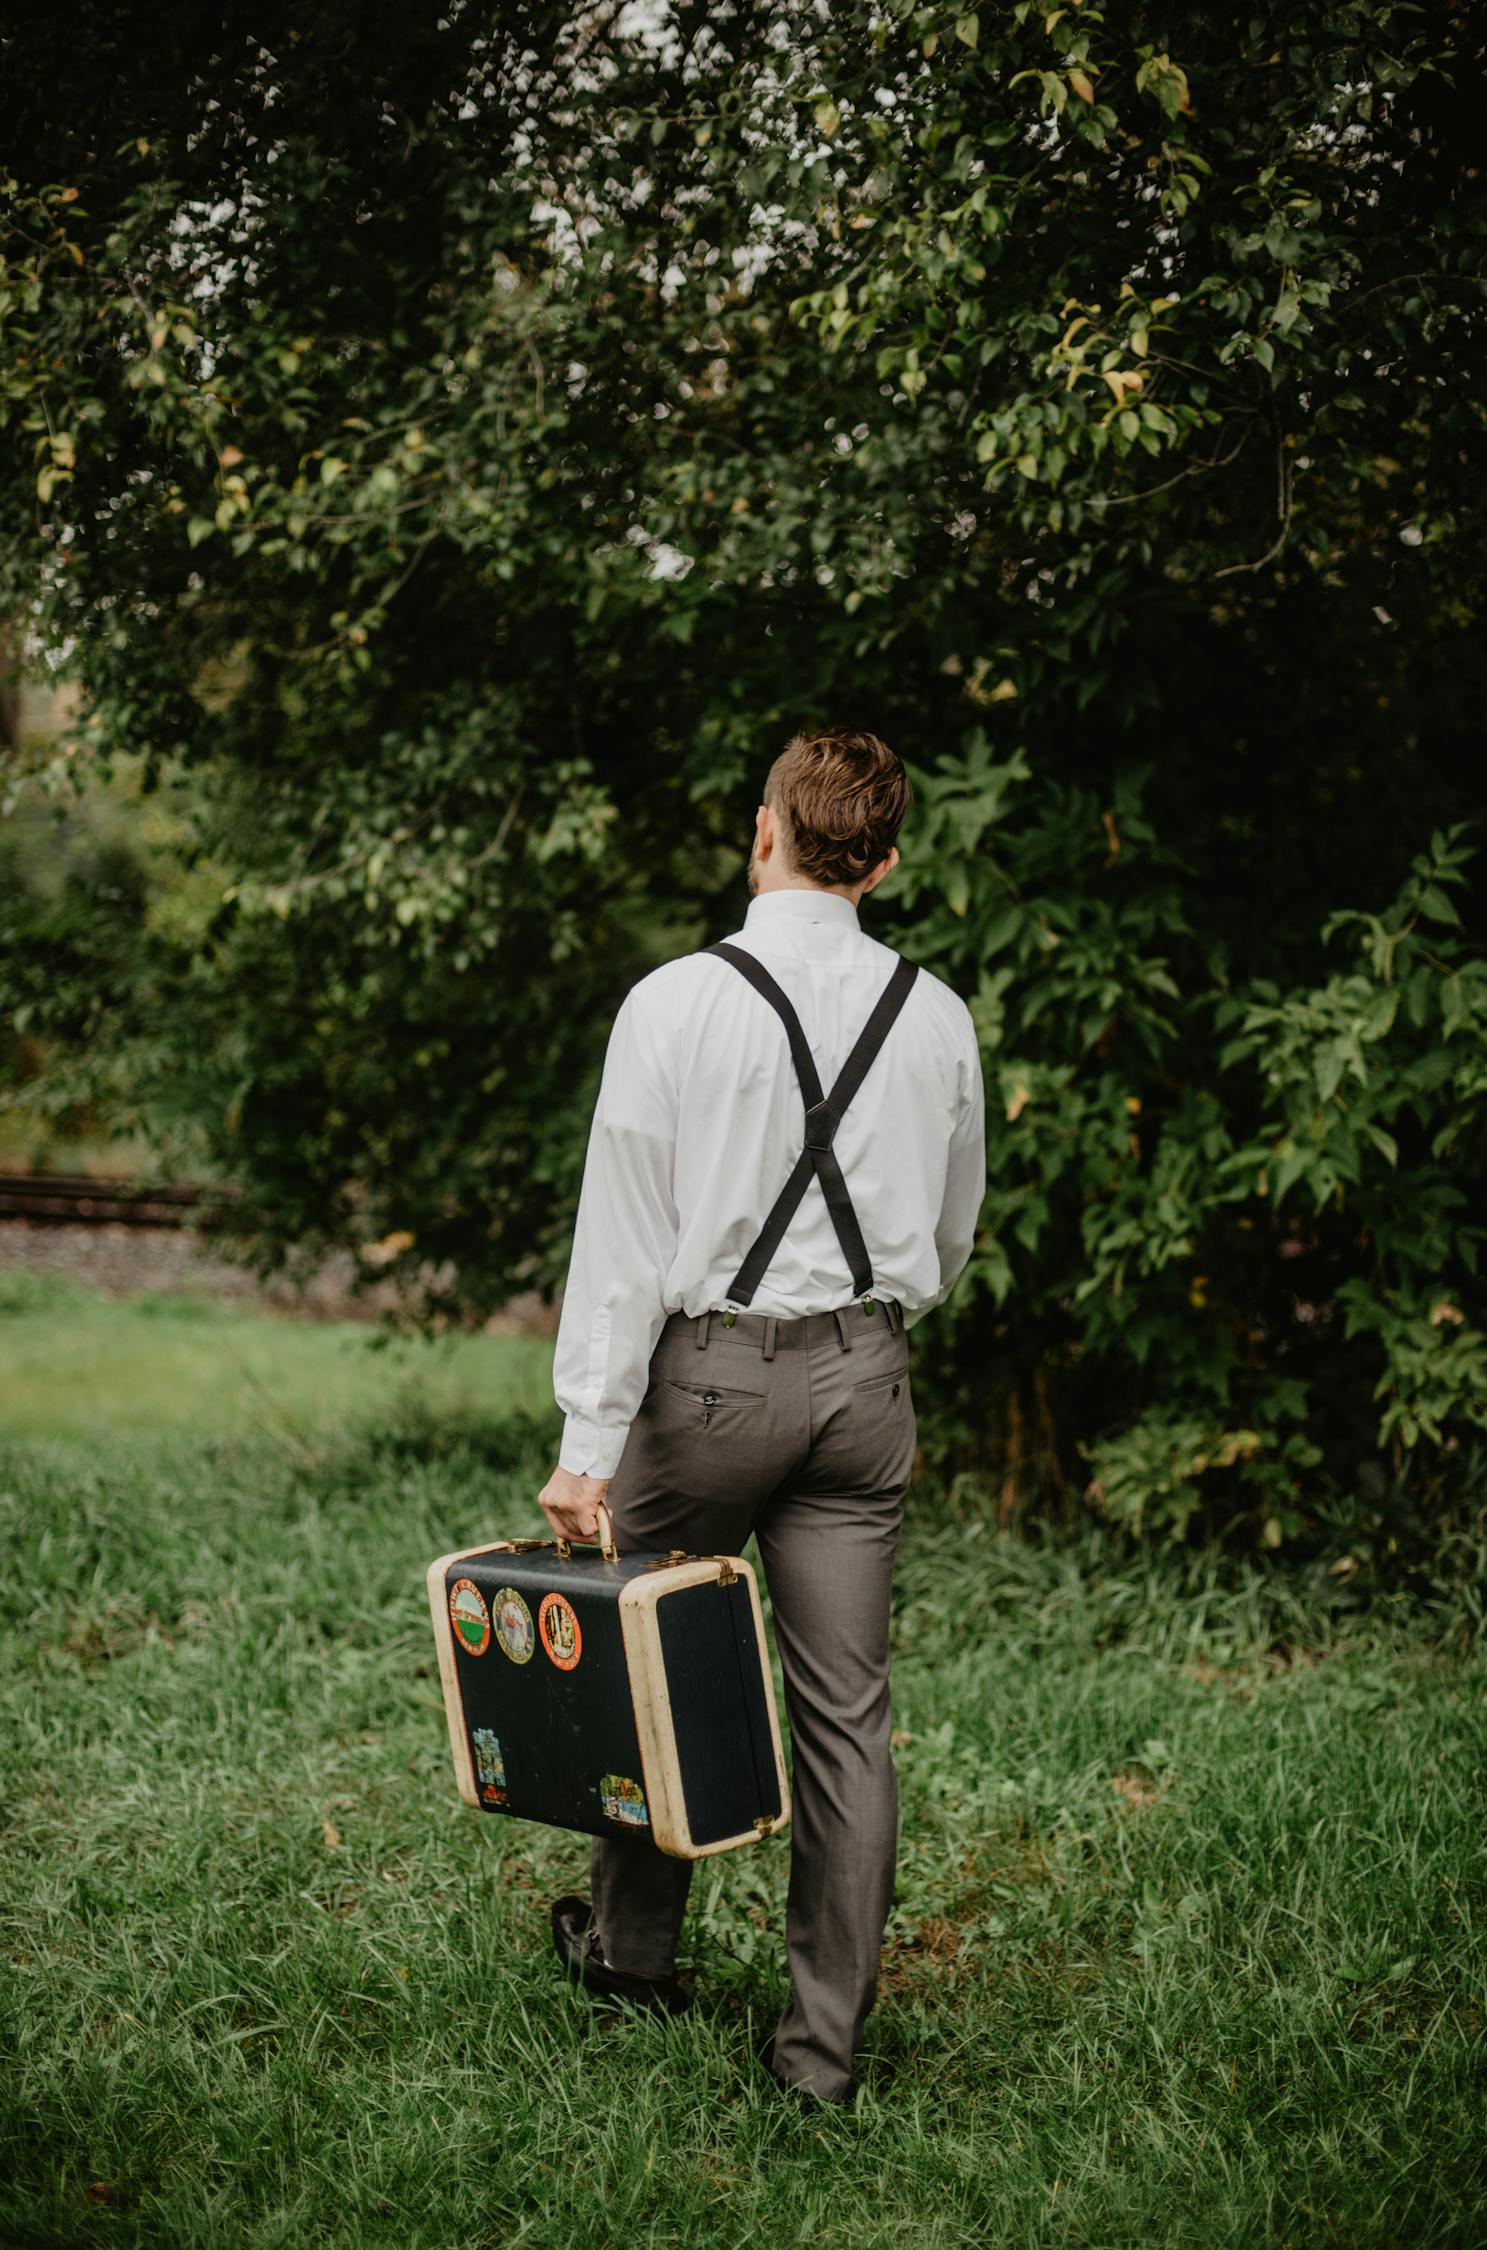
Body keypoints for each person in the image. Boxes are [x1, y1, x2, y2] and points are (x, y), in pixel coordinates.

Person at [536, 726, 986, 2108]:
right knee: (845, 1719)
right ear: (888, 856)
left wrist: (583, 1441)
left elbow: (621, 1240)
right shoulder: (937, 1013)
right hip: (864, 1382)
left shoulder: (673, 1002)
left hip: (710, 1382)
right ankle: (818, 2059)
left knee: (648, 1658)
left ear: (762, 831)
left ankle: (629, 1958)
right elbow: (952, 1232)